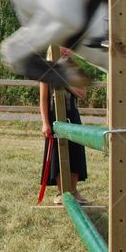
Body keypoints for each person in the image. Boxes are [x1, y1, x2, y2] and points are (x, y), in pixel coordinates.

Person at [38, 47, 90, 204]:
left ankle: (73, 191)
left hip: (72, 115)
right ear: (53, 51)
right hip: (54, 116)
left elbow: (83, 94)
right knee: (57, 153)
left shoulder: (75, 70)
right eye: (62, 50)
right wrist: (45, 123)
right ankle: (62, 192)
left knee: (75, 151)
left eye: (68, 50)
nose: (66, 52)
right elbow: (43, 100)